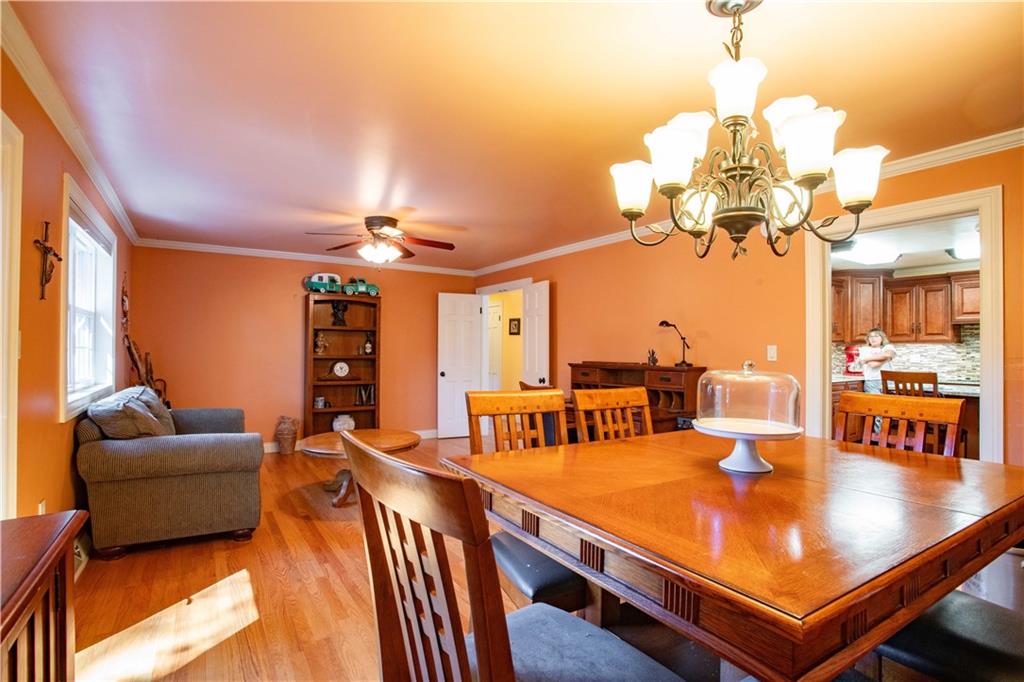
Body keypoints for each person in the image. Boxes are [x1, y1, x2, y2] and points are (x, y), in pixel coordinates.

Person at [860, 327, 896, 431]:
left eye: (876, 336)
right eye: (870, 336)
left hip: (888, 383)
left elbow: (889, 353)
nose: (873, 338)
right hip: (872, 382)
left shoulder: (888, 347)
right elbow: (873, 364)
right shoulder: (864, 349)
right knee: (877, 411)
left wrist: (867, 359)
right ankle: (879, 438)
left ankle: (888, 437)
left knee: (888, 411)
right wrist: (887, 359)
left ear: (882, 338)